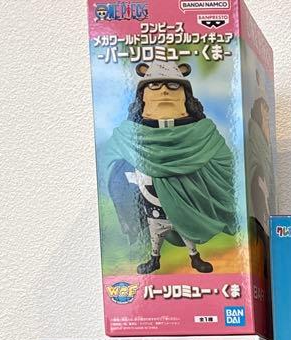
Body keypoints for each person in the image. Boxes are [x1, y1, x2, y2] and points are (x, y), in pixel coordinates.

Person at [99, 59, 236, 275]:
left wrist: (196, 177)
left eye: (173, 85)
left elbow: (226, 168)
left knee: (187, 232)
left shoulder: (205, 134)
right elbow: (110, 169)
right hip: (151, 207)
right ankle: (154, 259)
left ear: (185, 96)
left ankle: (194, 257)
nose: (164, 91)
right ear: (142, 96)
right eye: (154, 85)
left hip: (189, 208)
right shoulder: (127, 136)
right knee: (155, 236)